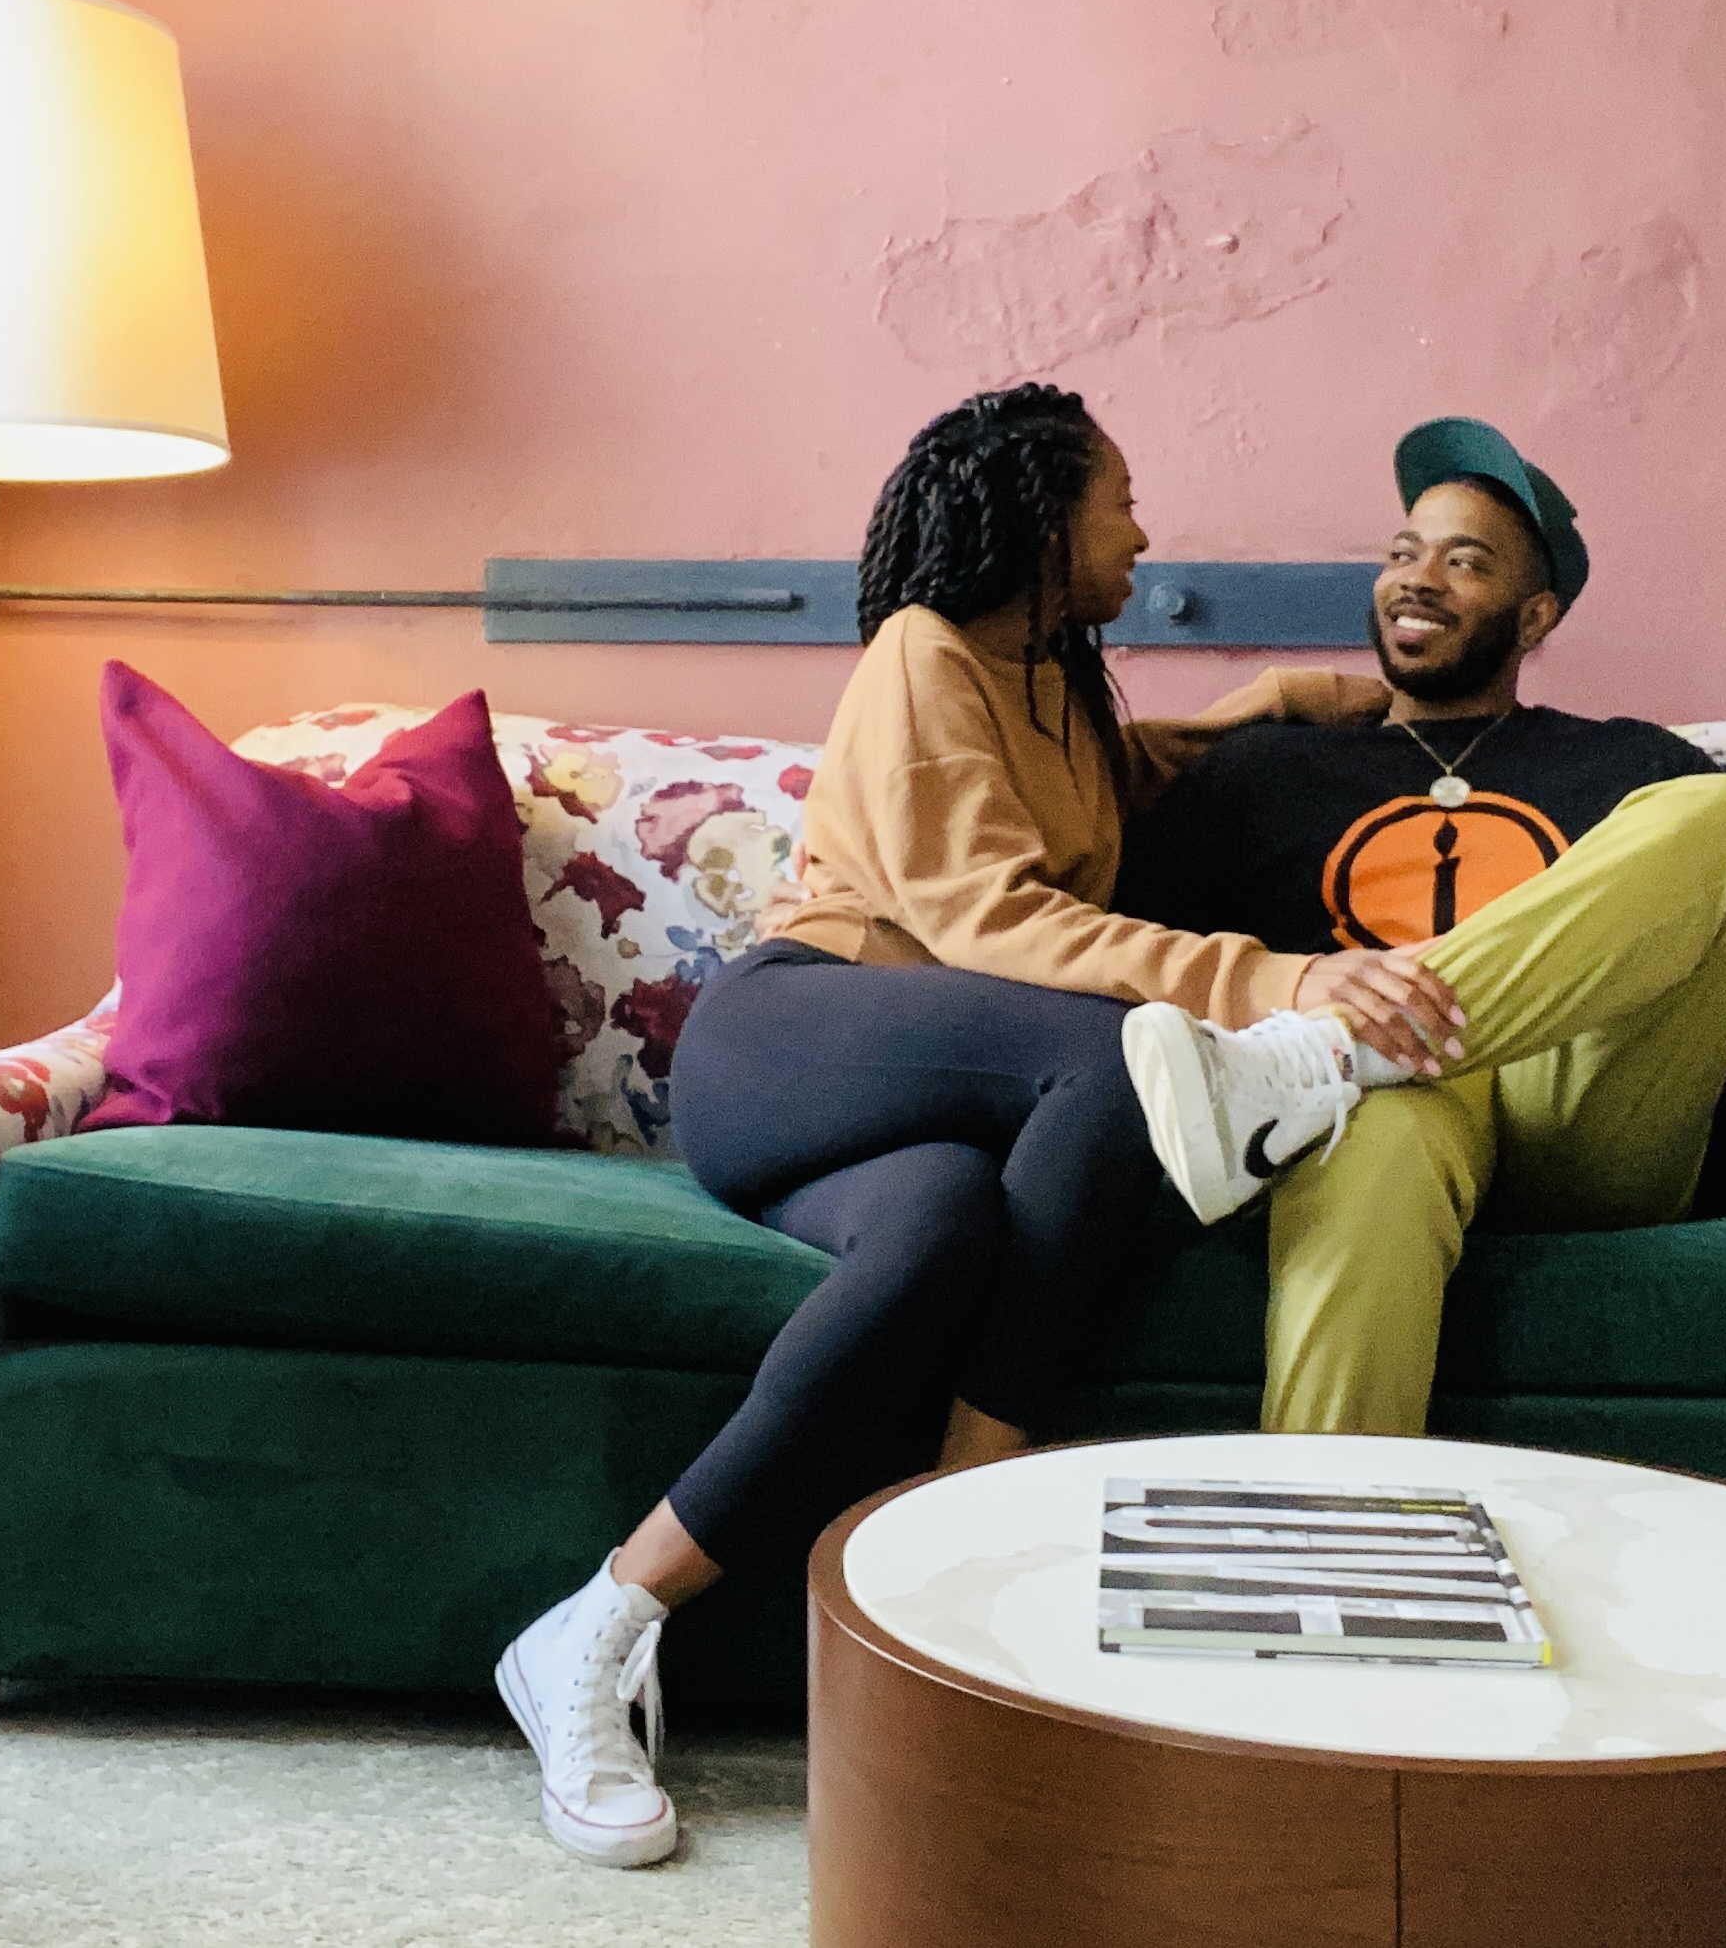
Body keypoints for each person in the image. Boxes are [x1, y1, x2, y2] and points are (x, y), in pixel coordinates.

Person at [493, 383, 1386, 1868]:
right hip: (791, 1038)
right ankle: (962, 1526)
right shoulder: (922, 652)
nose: (1142, 533)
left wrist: (1273, 706)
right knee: (1113, 1059)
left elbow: (1121, 781)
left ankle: (599, 1618)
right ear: (1040, 519)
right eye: (1119, 502)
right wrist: (1272, 980)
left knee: (940, 1241)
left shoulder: (1053, 682)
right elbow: (985, 914)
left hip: (913, 1113)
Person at [1112, 414, 1726, 1440]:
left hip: (1580, 1114)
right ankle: (1325, 1520)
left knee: (1710, 815)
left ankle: (1326, 1054)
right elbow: (1126, 948)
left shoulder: (1627, 761)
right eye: (1403, 553)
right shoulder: (1264, 771)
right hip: (1388, 1114)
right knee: (1373, 1135)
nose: (1418, 579)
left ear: (1534, 615)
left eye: (1465, 562)